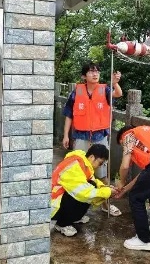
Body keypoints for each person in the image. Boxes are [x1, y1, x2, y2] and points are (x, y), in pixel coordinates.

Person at [62, 62, 123, 217]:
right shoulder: (76, 92)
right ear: (84, 76)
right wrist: (65, 135)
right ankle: (75, 208)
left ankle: (106, 204)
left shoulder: (105, 89)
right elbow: (69, 115)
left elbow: (118, 94)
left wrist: (115, 83)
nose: (95, 74)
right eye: (90, 72)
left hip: (99, 136)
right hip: (81, 136)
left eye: (97, 71)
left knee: (102, 172)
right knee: (77, 172)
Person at [51, 144, 120, 236]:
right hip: (54, 204)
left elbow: (92, 180)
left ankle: (74, 217)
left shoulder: (83, 162)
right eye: (100, 163)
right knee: (85, 194)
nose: (100, 166)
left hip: (60, 198)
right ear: (92, 157)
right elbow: (84, 192)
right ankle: (62, 223)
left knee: (92, 185)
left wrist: (105, 187)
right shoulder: (75, 166)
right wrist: (107, 192)